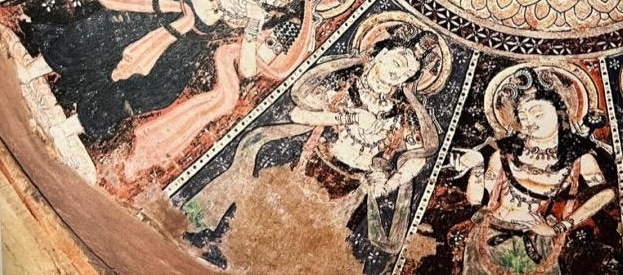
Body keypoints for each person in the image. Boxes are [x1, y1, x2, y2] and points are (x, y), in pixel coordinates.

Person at [11, 0, 355, 180]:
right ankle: (33, 70)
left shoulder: (283, 19)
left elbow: (249, 69)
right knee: (108, 30)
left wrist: (253, 26)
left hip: (196, 33)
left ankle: (72, 127)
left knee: (159, 88)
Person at [183, 14, 449, 270]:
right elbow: (298, 114)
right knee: (261, 201)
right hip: (309, 165)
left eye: (409, 71)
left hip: (351, 187)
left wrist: (388, 183)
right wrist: (347, 117)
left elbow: (418, 157)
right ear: (380, 54)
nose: (398, 73)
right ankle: (218, 242)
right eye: (397, 61)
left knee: (311, 242)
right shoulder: (345, 83)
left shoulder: (401, 113)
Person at [450, 65, 616, 275]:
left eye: (537, 113)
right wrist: (477, 166)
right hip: (488, 237)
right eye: (523, 116)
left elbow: (606, 194)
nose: (529, 122)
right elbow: (477, 199)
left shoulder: (579, 157)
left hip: (537, 242)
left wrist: (559, 227)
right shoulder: (504, 152)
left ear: (560, 112)